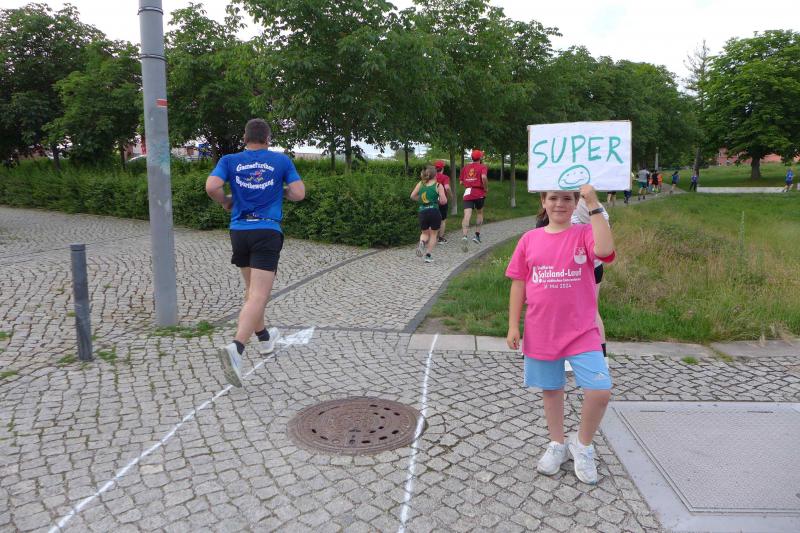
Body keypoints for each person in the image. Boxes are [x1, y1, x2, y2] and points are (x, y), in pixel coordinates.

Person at [507, 185, 615, 485]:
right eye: (553, 198)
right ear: (543, 201)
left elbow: (605, 251)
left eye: (567, 198)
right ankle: (557, 443)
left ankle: (583, 444)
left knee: (600, 391)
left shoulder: (584, 234)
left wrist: (593, 204)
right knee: (552, 389)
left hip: (582, 331)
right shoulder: (529, 239)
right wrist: (513, 324)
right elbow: (518, 283)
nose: (559, 204)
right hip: (541, 330)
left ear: (575, 202)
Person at [205, 118, 305, 388]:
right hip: (266, 231)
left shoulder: (229, 160)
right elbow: (299, 193)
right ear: (268, 138)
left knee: (251, 293)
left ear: (245, 137)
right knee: (259, 295)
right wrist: (281, 191)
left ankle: (264, 338)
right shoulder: (280, 161)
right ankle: (236, 348)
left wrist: (225, 201)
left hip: (239, 231)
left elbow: (212, 186)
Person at [410, 164, 447, 263]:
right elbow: (444, 201)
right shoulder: (438, 185)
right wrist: (438, 201)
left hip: (422, 211)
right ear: (435, 175)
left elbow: (412, 196)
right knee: (433, 234)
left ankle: (422, 242)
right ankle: (428, 255)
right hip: (434, 211)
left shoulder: (420, 184)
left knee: (424, 233)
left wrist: (421, 200)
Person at [460, 149, 489, 252]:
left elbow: (461, 182)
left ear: (472, 158)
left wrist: (469, 184)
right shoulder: (482, 167)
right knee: (479, 213)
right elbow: (484, 177)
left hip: (468, 193)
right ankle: (476, 235)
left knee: (466, 215)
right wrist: (486, 188)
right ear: (480, 158)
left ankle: (464, 236)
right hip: (479, 193)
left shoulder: (465, 167)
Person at [434, 160, 452, 242]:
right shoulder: (445, 177)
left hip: (432, 200)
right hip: (442, 201)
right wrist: (451, 196)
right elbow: (447, 187)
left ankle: (430, 237)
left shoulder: (431, 177)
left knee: (433, 218)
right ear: (442, 168)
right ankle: (440, 238)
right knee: (442, 220)